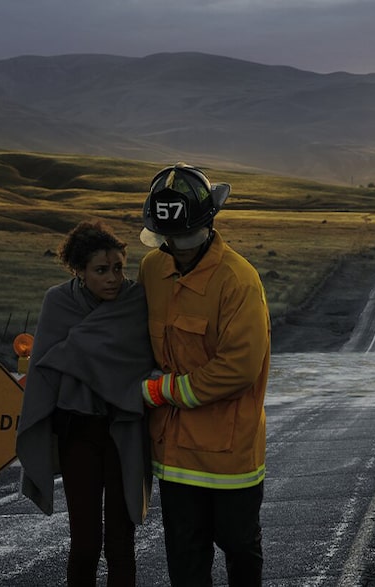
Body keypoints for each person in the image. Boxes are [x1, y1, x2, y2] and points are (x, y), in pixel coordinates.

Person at [137, 163, 271, 586]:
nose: (175, 248)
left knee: (239, 548)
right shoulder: (151, 271)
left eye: (182, 239)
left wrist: (164, 390)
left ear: (208, 224)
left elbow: (240, 367)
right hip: (174, 458)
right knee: (185, 558)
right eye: (168, 240)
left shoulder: (238, 281)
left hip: (230, 455)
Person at [16, 219, 155, 587]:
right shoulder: (58, 302)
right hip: (78, 433)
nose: (113, 278)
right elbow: (46, 366)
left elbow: (143, 360)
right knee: (86, 543)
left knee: (121, 544)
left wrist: (75, 353)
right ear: (79, 271)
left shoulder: (136, 300)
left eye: (118, 268)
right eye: (101, 270)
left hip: (123, 430)